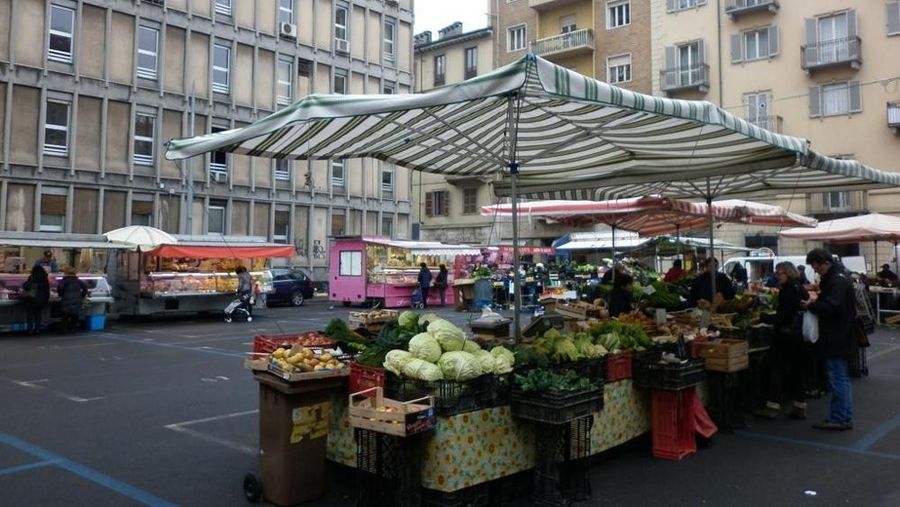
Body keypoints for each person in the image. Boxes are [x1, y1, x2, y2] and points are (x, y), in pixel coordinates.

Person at [802, 248, 856, 431]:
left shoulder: (836, 280)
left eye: (817, 268)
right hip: (842, 334)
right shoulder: (839, 276)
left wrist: (813, 305)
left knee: (837, 377)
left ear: (825, 263)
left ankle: (839, 418)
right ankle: (843, 416)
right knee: (841, 377)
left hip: (836, 335)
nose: (816, 271)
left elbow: (833, 307)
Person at [755, 262, 810, 420]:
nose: (777, 276)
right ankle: (800, 406)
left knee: (776, 368)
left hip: (786, 335)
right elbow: (803, 304)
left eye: (779, 273)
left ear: (788, 273)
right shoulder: (799, 286)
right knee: (797, 370)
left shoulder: (788, 289)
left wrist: (764, 317)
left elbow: (784, 316)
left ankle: (772, 405)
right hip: (798, 335)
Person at [22, 265, 51, 335]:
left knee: (30, 315)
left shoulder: (32, 277)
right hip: (41, 300)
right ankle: (37, 329)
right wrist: (46, 299)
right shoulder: (45, 278)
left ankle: (30, 330)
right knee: (38, 315)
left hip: (31, 299)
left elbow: (26, 286)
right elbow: (47, 290)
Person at [57, 266, 87, 332]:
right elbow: (85, 288)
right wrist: (82, 296)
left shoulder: (64, 280)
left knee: (65, 316)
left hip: (66, 300)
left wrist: (60, 294)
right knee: (74, 315)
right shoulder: (78, 281)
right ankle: (73, 329)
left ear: (66, 272)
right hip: (77, 301)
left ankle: (64, 329)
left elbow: (60, 288)